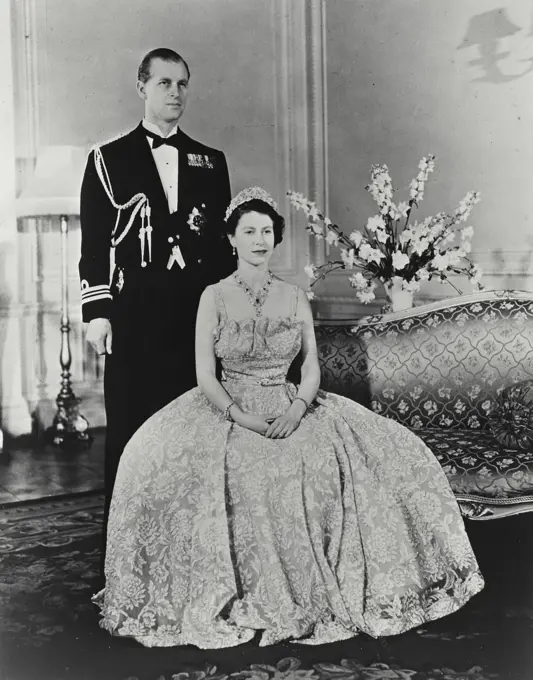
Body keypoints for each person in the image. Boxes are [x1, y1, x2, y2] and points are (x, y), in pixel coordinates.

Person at [92, 187, 484, 649]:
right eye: (248, 231)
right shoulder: (212, 296)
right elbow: (204, 375)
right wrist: (241, 417)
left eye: (266, 232)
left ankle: (314, 589)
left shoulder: (295, 296)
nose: (259, 240)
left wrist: (298, 408)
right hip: (227, 404)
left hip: (289, 401)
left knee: (356, 457)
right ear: (231, 239)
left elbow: (311, 367)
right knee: (159, 457)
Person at [78, 48, 235, 576]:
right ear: (141, 87)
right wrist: (98, 313)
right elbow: (95, 243)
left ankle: (194, 546)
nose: (176, 93)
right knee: (130, 428)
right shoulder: (107, 158)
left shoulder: (210, 161)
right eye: (165, 82)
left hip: (194, 317)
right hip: (133, 316)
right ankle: (125, 552)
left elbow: (222, 248)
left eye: (183, 84)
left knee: (195, 428)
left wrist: (228, 312)